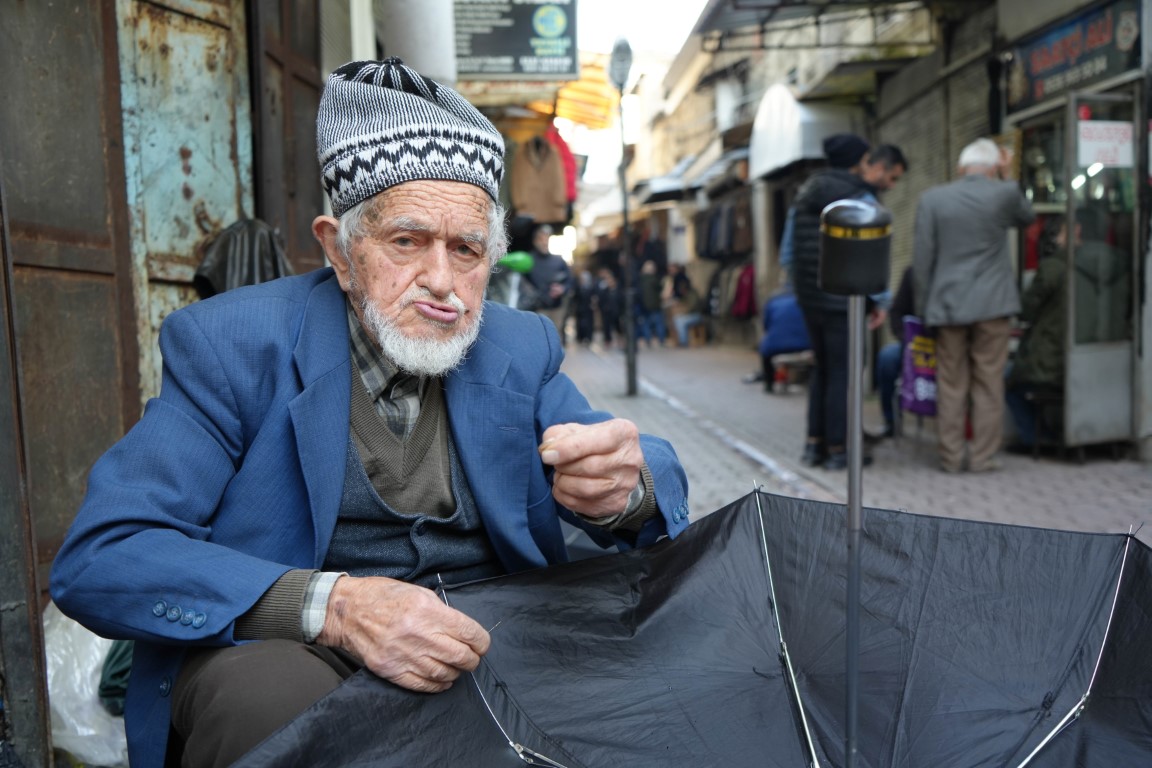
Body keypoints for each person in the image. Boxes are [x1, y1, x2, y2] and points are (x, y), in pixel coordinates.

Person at [49, 58, 690, 768]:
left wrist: (626, 486)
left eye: (467, 249)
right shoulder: (230, 345)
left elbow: (628, 458)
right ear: (340, 250)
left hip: (486, 637)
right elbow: (105, 553)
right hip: (303, 647)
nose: (442, 282)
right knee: (263, 701)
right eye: (407, 242)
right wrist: (336, 607)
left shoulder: (518, 344)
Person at [914, 137, 1035, 473]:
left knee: (951, 383)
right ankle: (982, 457)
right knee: (989, 382)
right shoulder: (1004, 193)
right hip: (993, 304)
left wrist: (924, 308)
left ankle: (951, 457)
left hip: (947, 304)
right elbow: (1028, 217)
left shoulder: (932, 199)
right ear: (993, 167)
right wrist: (1009, 176)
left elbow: (922, 260)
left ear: (960, 168)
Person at [785, 134, 905, 470]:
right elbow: (872, 253)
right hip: (844, 299)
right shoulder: (859, 196)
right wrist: (880, 301)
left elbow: (787, 253)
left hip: (810, 298)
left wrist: (803, 289)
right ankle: (841, 449)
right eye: (866, 159)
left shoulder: (805, 193)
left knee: (823, 368)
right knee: (845, 372)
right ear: (857, 161)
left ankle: (814, 445)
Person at [1005, 217, 1066, 451]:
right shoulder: (1091, 267)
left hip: (1052, 359)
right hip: (1078, 357)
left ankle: (1034, 438)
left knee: (1010, 381)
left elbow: (1026, 309)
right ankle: (1045, 433)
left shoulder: (1052, 269)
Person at [874, 265, 915, 437]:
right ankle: (891, 420)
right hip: (912, 344)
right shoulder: (912, 273)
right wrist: (906, 337)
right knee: (887, 358)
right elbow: (896, 312)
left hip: (946, 345)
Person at [753, 283, 810, 392]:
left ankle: (769, 384)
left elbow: (766, 325)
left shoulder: (773, 301)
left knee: (765, 352)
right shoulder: (806, 300)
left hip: (775, 345)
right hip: (804, 344)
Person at [525, 223, 573, 343]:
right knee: (539, 339)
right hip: (537, 309)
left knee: (555, 339)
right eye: (541, 239)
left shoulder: (559, 261)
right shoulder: (528, 260)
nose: (544, 242)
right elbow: (522, 283)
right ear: (535, 241)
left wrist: (562, 289)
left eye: (547, 238)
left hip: (557, 308)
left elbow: (570, 281)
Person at [663, 262, 704, 347]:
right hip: (692, 314)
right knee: (676, 319)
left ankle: (683, 342)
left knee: (679, 320)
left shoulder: (691, 295)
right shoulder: (686, 295)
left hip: (697, 315)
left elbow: (693, 307)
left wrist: (684, 311)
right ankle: (681, 340)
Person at [635, 259, 667, 347]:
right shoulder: (654, 279)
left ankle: (648, 340)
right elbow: (660, 289)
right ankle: (661, 340)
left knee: (646, 323)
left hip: (644, 305)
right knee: (659, 322)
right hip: (655, 305)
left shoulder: (640, 280)